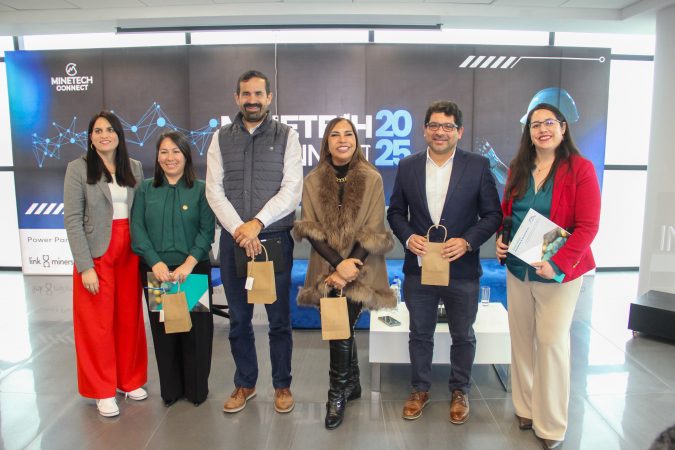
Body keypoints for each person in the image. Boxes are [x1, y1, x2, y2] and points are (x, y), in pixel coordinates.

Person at [387, 100, 502, 424]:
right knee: (419, 333)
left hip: (461, 268)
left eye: (448, 126)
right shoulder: (407, 165)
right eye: (434, 125)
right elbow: (395, 212)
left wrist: (467, 241)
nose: (441, 132)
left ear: (459, 132)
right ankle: (419, 389)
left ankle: (460, 390)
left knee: (463, 334)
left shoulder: (477, 165)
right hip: (419, 267)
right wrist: (409, 237)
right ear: (425, 130)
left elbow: (492, 214)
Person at [495, 103, 600, 450]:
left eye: (549, 123)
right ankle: (525, 409)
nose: (542, 129)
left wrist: (558, 263)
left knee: (552, 343)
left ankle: (551, 424)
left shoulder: (580, 169)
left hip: (559, 274)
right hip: (518, 267)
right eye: (535, 124)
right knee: (521, 340)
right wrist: (500, 239)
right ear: (528, 132)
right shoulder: (518, 168)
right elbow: (508, 213)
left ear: (563, 127)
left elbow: (588, 226)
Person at [205, 70, 302, 414]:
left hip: (273, 240)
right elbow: (213, 190)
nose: (252, 100)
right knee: (238, 320)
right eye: (246, 94)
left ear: (269, 97)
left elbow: (292, 189)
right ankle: (245, 383)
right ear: (237, 98)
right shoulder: (220, 138)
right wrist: (239, 230)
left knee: (279, 321)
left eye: (258, 94)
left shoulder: (287, 136)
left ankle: (282, 385)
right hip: (234, 241)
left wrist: (257, 223)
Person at [293, 117, 395, 429]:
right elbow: (309, 229)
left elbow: (374, 228)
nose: (342, 139)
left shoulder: (372, 177)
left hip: (362, 267)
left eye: (348, 134)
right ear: (326, 142)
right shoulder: (313, 180)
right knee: (341, 325)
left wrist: (349, 267)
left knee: (340, 328)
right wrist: (338, 265)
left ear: (356, 140)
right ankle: (352, 383)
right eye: (335, 134)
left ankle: (336, 394)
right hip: (326, 265)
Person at [63, 110, 147, 417]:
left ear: (119, 135)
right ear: (90, 137)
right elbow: (72, 219)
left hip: (129, 253)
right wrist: (85, 266)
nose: (104, 135)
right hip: (97, 253)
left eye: (109, 130)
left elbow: (140, 212)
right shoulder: (78, 168)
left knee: (129, 318)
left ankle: (129, 379)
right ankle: (102, 389)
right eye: (98, 131)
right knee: (97, 325)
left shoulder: (134, 166)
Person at [130, 130, 216, 407]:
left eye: (176, 151)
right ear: (157, 157)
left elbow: (206, 231)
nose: (170, 157)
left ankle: (196, 390)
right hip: (159, 272)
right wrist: (155, 262)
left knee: (195, 333)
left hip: (192, 270)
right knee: (165, 331)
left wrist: (189, 264)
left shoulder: (201, 189)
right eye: (164, 152)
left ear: (186, 156)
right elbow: (138, 229)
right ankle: (171, 390)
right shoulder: (145, 189)